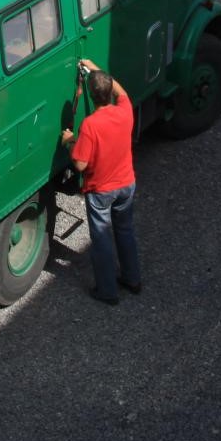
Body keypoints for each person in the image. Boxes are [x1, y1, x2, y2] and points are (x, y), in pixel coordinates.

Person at [62, 58, 141, 305]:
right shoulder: (125, 110)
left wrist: (69, 141)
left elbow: (80, 164)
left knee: (102, 239)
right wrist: (96, 69)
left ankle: (107, 291)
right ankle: (132, 279)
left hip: (101, 191)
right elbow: (121, 91)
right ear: (108, 93)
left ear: (91, 95)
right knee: (125, 230)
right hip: (126, 184)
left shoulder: (90, 125)